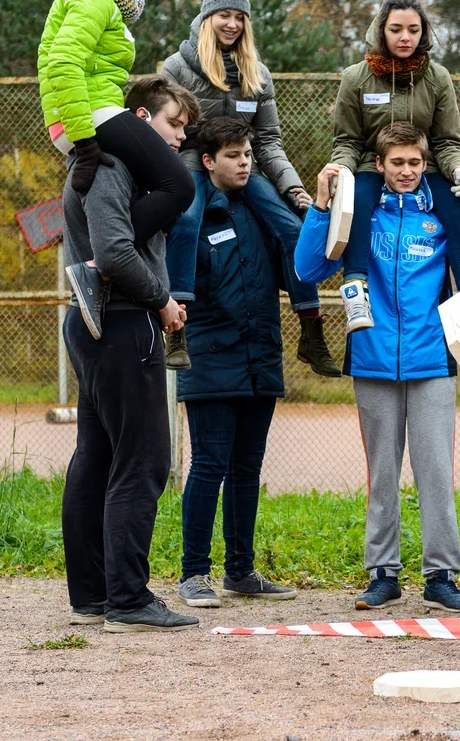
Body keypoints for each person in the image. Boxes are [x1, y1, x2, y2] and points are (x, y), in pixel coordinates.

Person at [294, 122, 460, 613]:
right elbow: (308, 269)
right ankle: (383, 574)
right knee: (382, 474)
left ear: (426, 164)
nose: (407, 172)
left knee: (435, 472)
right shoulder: (364, 212)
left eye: (415, 163)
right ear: (379, 166)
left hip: (432, 359)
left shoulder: (441, 216)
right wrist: (322, 205)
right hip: (371, 358)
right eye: (397, 163)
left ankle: (441, 576)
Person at [59, 83, 199, 635]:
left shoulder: (109, 163)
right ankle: (128, 598)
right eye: (173, 124)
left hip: (101, 321)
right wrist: (162, 300)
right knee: (141, 459)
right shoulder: (114, 163)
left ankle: (95, 594)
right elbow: (113, 251)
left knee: (96, 457)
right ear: (140, 120)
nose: (181, 136)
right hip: (119, 321)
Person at [161, 0, 338, 376]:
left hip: (245, 164)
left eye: (240, 17)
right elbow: (165, 129)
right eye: (224, 15)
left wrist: (294, 191)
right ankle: (177, 328)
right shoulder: (178, 67)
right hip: (194, 161)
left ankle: (311, 331)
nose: (232, 24)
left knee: (294, 229)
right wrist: (167, 184)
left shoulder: (257, 74)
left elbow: (269, 142)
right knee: (187, 221)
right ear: (208, 18)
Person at [38, 0, 194, 340]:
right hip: (91, 114)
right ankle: (98, 266)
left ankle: (106, 262)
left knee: (161, 185)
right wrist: (84, 142)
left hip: (89, 112)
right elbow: (63, 62)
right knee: (179, 185)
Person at [170, 118, 299, 609]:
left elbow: (288, 270)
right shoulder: (193, 214)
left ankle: (240, 571)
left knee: (247, 468)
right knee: (208, 466)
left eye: (247, 153)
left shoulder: (261, 209)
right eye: (233, 155)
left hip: (260, 356)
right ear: (208, 161)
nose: (244, 162)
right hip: (210, 358)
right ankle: (193, 573)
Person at [330, 0, 460, 332]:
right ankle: (356, 291)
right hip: (371, 165)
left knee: (456, 208)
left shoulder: (438, 78)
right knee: (356, 202)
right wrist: (342, 171)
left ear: (424, 34)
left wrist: (457, 169)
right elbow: (347, 140)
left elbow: (447, 142)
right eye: (396, 29)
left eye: (413, 30)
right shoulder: (356, 78)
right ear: (380, 31)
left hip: (427, 167)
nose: (405, 38)